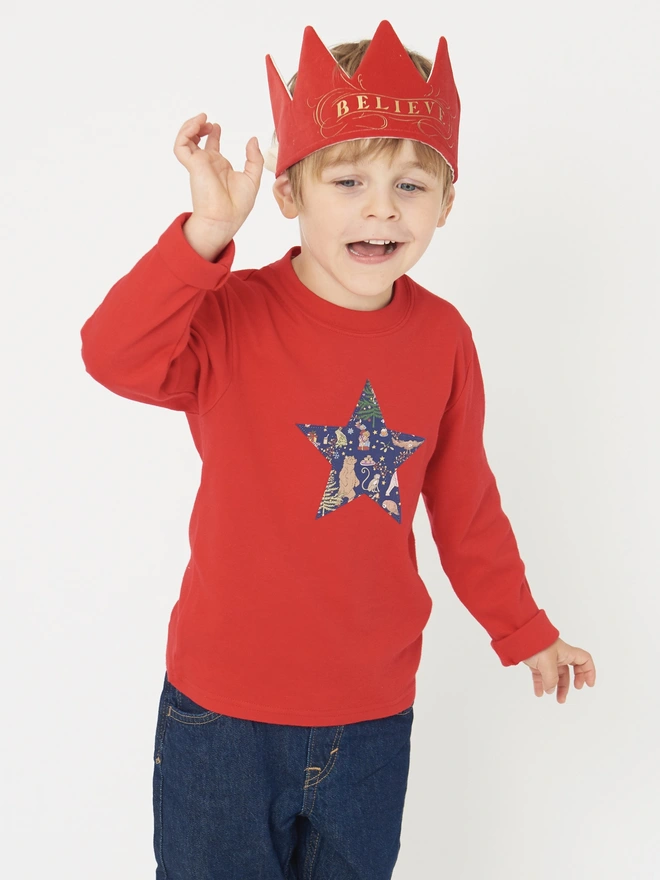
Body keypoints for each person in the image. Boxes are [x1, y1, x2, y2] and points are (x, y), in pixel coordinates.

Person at [80, 19, 596, 880]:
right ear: (289, 194)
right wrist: (205, 233)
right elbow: (113, 354)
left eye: (411, 184)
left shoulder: (443, 339)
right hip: (221, 718)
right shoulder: (231, 315)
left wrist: (526, 630)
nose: (381, 208)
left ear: (448, 202)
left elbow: (466, 507)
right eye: (348, 180)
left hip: (371, 720)